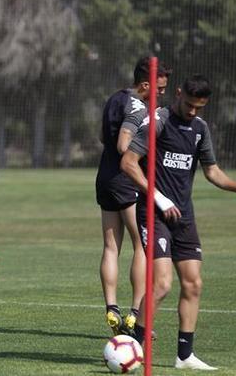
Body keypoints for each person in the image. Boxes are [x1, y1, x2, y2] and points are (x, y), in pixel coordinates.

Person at [121, 74, 236, 370]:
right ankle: (132, 347)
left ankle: (184, 356)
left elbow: (212, 172)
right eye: (189, 104)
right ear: (178, 94)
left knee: (194, 284)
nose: (192, 111)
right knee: (161, 284)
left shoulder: (200, 129)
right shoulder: (159, 122)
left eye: (199, 107)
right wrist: (159, 198)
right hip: (154, 213)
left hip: (183, 217)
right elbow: (128, 163)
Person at [95, 58, 169, 336]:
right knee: (142, 245)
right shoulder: (138, 105)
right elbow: (123, 143)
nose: (161, 93)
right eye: (159, 88)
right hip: (128, 182)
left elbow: (103, 135)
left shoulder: (115, 98)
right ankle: (136, 314)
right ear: (145, 84)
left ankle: (112, 308)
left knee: (111, 246)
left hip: (105, 177)